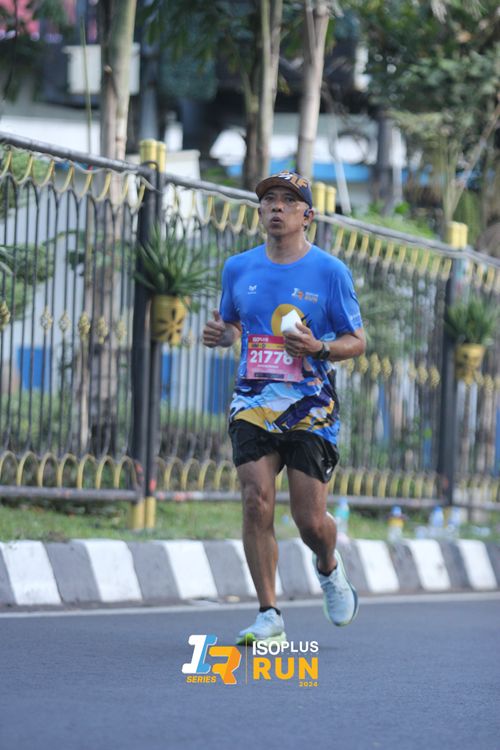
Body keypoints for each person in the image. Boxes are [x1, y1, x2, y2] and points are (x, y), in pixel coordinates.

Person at [202, 170, 366, 645]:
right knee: (256, 500)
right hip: (253, 401)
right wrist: (222, 335)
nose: (276, 207)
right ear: (260, 212)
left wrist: (319, 347)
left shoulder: (330, 272)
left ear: (306, 215)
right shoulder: (238, 268)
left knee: (310, 521)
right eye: (269, 199)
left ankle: (328, 565)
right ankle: (268, 613)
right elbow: (234, 325)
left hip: (310, 406)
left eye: (288, 201)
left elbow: (356, 341)